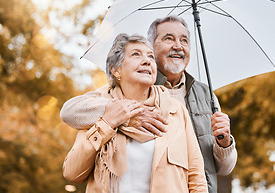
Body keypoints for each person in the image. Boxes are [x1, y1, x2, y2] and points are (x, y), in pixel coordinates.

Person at [61, 15, 237, 193]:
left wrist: (224, 142)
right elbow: (70, 113)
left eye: (184, 40)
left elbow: (215, 171)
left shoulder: (199, 100)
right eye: (169, 38)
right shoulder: (110, 96)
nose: (178, 45)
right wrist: (119, 116)